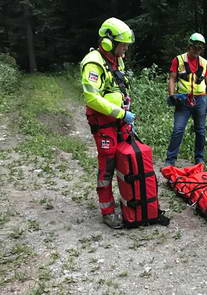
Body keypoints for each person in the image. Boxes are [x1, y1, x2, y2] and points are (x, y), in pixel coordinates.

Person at [80, 17, 136, 229]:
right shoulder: (93, 63)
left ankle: (128, 201)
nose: (125, 50)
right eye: (123, 46)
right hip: (103, 122)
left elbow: (120, 88)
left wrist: (127, 112)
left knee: (125, 160)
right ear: (108, 43)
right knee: (108, 164)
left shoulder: (116, 60)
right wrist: (120, 113)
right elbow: (92, 98)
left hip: (120, 119)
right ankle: (108, 211)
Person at [164, 33, 207, 167]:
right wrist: (172, 95)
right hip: (183, 99)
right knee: (178, 129)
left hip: (201, 99)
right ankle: (170, 160)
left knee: (201, 130)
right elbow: (172, 78)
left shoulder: (204, 63)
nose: (197, 50)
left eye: (200, 48)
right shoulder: (178, 60)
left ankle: (199, 159)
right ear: (189, 46)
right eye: (195, 47)